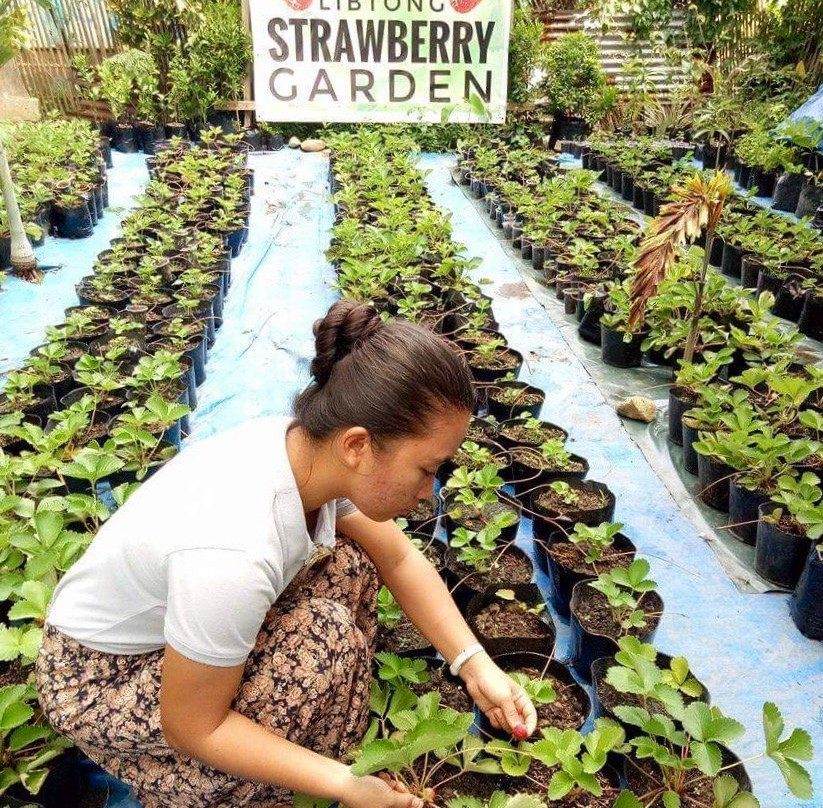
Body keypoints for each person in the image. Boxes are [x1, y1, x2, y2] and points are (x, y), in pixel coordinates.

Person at [36, 299, 537, 808]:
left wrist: (476, 665)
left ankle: (306, 745)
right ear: (358, 445)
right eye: (427, 469)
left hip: (170, 642)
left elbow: (400, 559)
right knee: (323, 639)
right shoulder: (233, 551)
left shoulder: (309, 451)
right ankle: (231, 788)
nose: (431, 493)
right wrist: (346, 784)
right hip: (101, 682)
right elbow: (193, 727)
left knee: (351, 562)